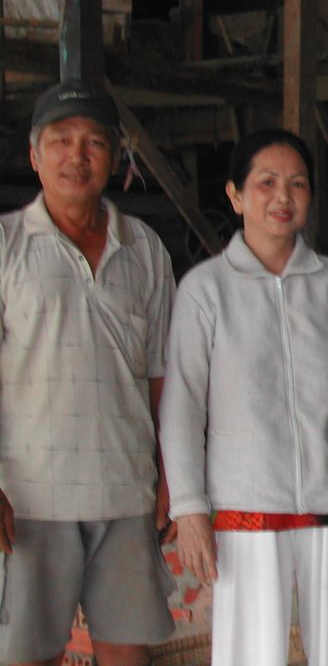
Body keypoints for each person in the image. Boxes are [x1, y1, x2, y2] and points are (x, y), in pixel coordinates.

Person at [159, 130, 328, 666]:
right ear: (235, 196)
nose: (282, 197)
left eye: (296, 184)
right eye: (265, 183)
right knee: (250, 655)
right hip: (245, 506)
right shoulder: (206, 288)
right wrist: (189, 506)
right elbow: (182, 407)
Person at [0, 80, 176, 665]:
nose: (77, 155)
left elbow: (162, 375)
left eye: (94, 142)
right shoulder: (5, 246)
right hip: (28, 497)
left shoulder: (145, 248)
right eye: (61, 140)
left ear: (116, 156)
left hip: (126, 491)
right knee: (27, 654)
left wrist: (173, 471)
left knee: (127, 654)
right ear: (34, 155)